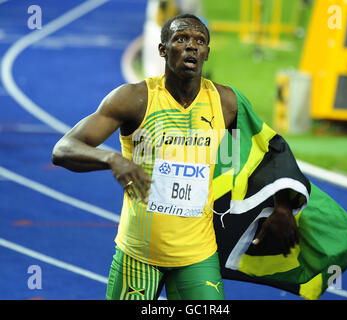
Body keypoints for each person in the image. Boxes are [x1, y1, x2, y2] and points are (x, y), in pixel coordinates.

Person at [52, 13, 298, 300]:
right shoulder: (135, 99)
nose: (191, 46)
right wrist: (112, 160)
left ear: (207, 52)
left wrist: (282, 206)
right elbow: (63, 149)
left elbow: (266, 149)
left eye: (199, 41)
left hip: (197, 256)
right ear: (163, 49)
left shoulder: (226, 102)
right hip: (138, 255)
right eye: (181, 39)